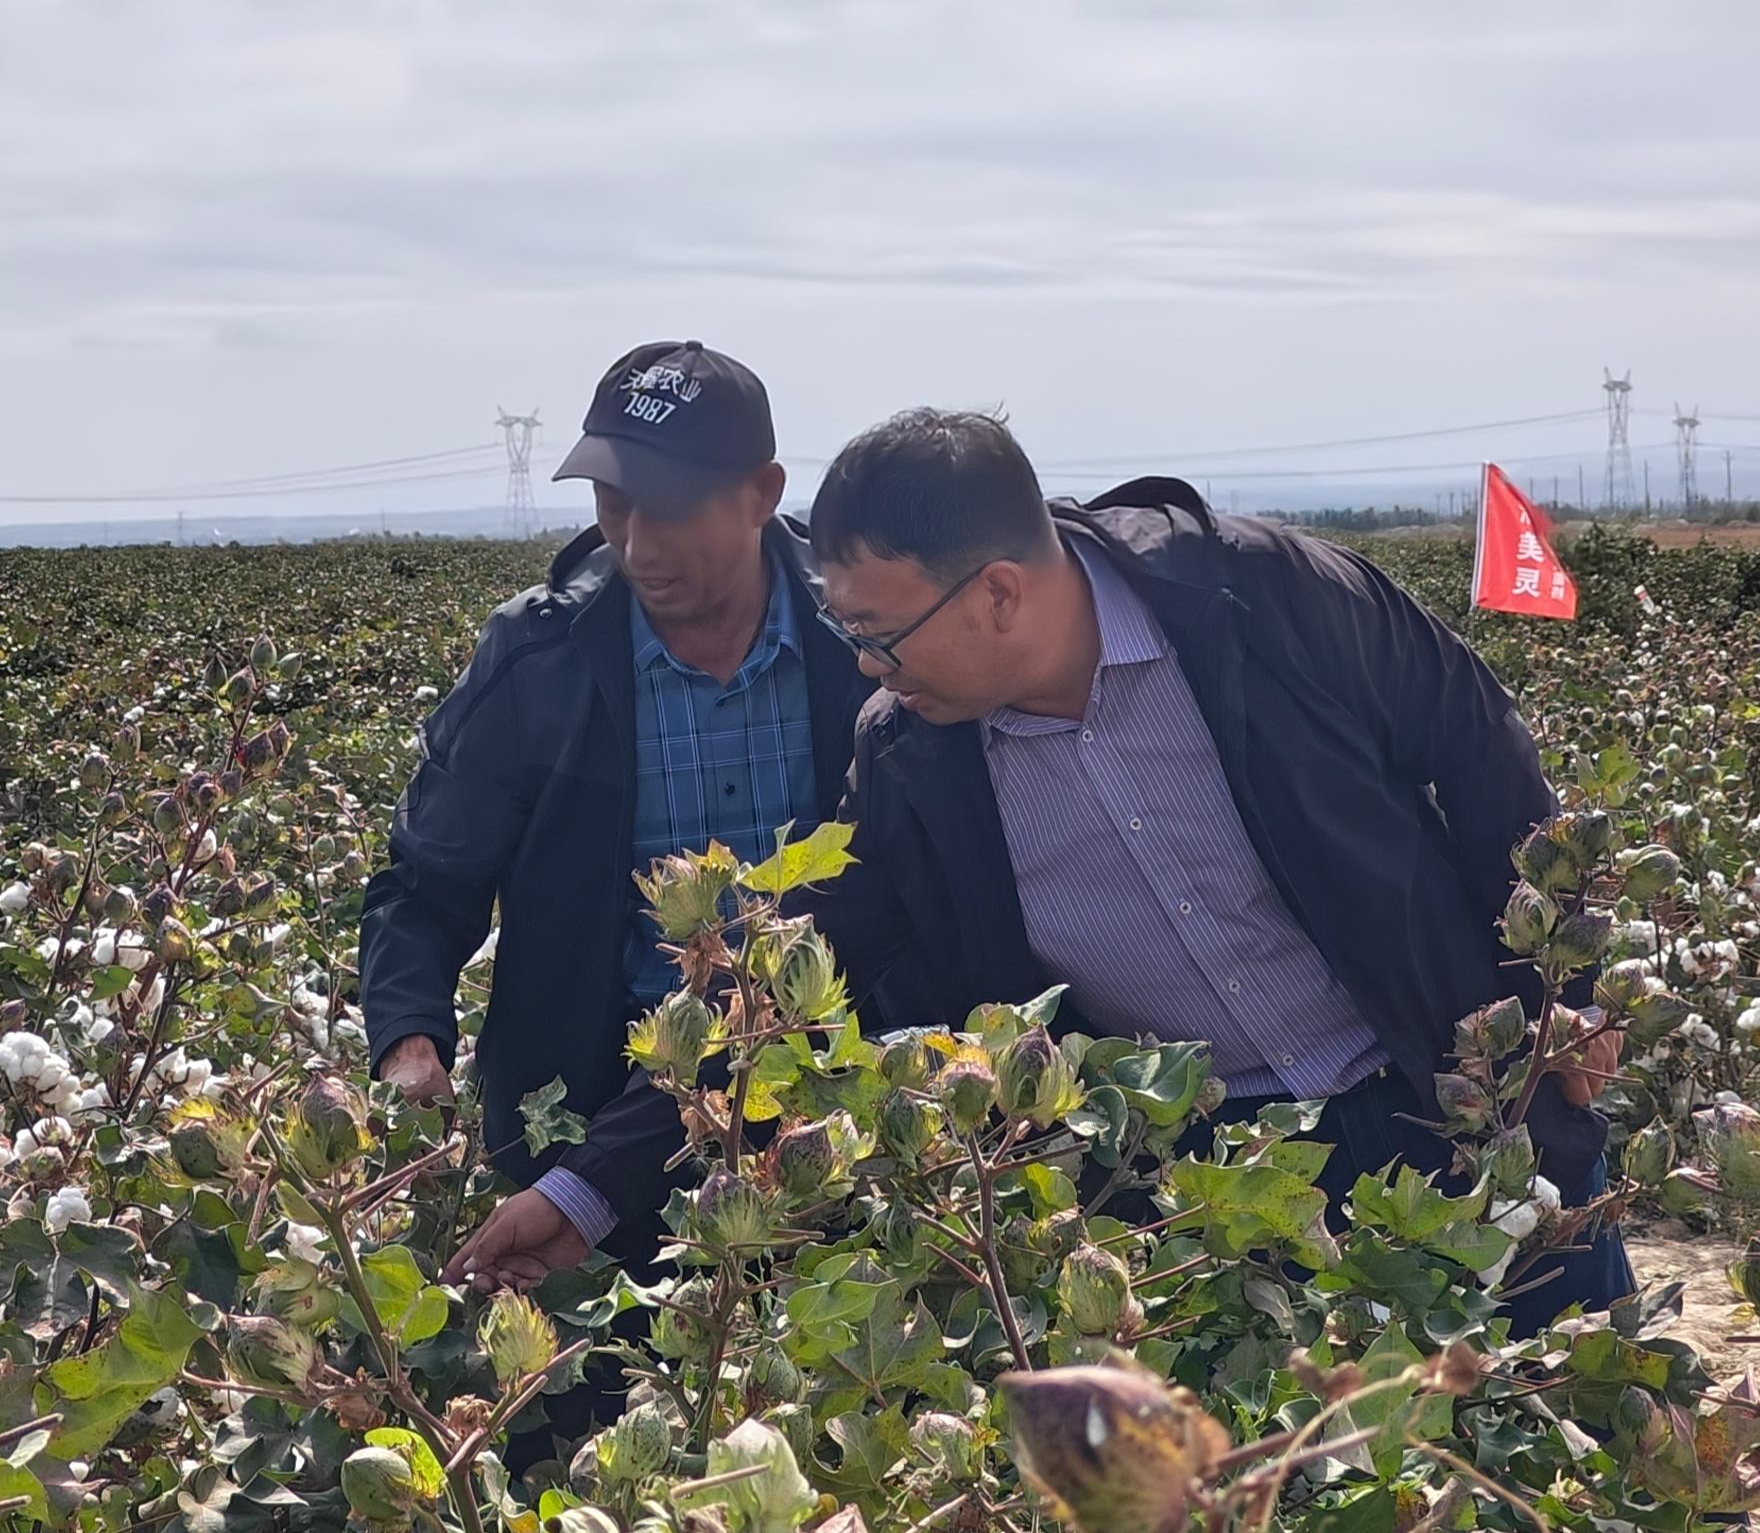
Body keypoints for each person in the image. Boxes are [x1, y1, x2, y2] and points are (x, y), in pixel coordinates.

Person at [802, 408, 1632, 1329]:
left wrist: (1557, 991)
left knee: (1566, 1423)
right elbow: (805, 969)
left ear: (999, 593)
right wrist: (612, 1181)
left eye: (882, 633)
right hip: (1215, 1192)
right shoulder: (911, 757)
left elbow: (1483, 751)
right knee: (1316, 1459)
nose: (874, 670)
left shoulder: (1270, 595)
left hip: (1456, 1097)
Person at [358, 340, 869, 1332]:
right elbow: (426, 880)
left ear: (762, 492)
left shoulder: (857, 637)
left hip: (827, 1107)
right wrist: (408, 1030)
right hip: (584, 1121)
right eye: (612, 503)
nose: (636, 542)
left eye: (670, 507)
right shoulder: (538, 656)